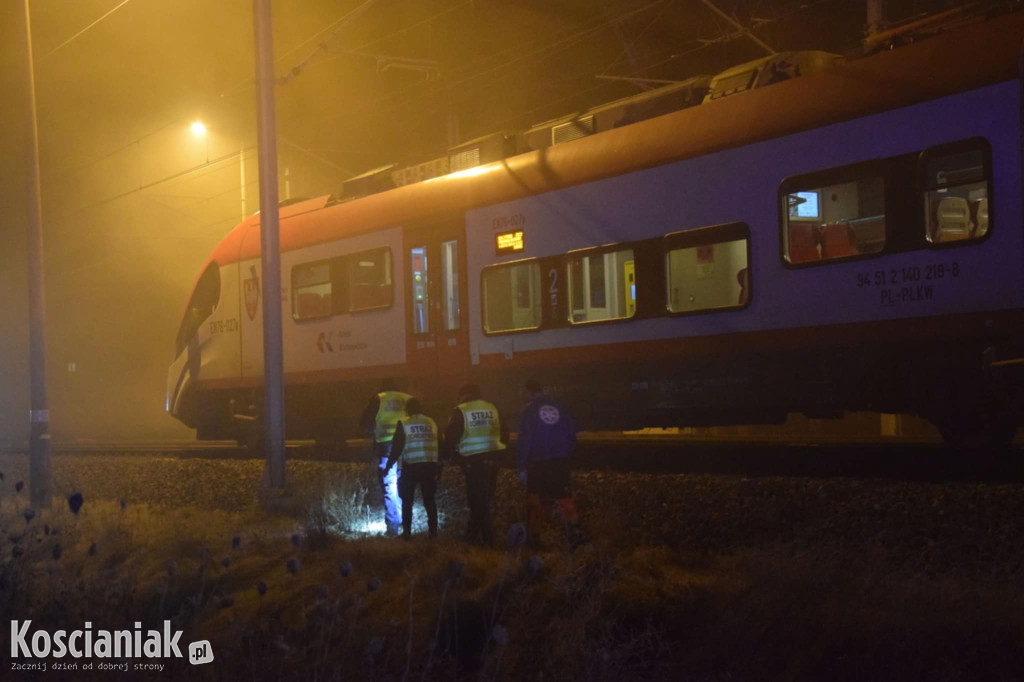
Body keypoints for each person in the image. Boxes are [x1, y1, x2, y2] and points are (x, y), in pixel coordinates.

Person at [517, 379, 582, 547]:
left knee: (535, 503)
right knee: (565, 500)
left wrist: (522, 467)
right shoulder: (560, 408)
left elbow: (525, 440)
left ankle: (534, 540)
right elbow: (572, 436)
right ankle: (574, 535)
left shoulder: (529, 411)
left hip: (538, 465)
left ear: (529, 392)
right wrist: (563, 454)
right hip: (559, 463)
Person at [442, 383, 507, 546]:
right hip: (493, 460)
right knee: (484, 499)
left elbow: (450, 437)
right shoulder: (492, 408)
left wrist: (449, 456)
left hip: (473, 462)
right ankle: (482, 538)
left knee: (478, 501)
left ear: (463, 395)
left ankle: (477, 540)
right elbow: (504, 433)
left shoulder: (461, 410)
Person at [359, 379, 411, 536]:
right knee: (403, 484)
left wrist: (372, 430)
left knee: (390, 484)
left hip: (387, 447)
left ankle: (392, 527)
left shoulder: (379, 398)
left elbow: (365, 423)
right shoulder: (408, 398)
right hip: (408, 447)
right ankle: (405, 522)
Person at [384, 398, 440, 540]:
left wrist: (388, 465)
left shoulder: (404, 423)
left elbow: (397, 447)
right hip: (429, 465)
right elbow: (441, 443)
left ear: (407, 409)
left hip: (411, 466)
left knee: (407, 501)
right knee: (429, 500)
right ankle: (433, 533)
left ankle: (407, 533)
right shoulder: (432, 422)